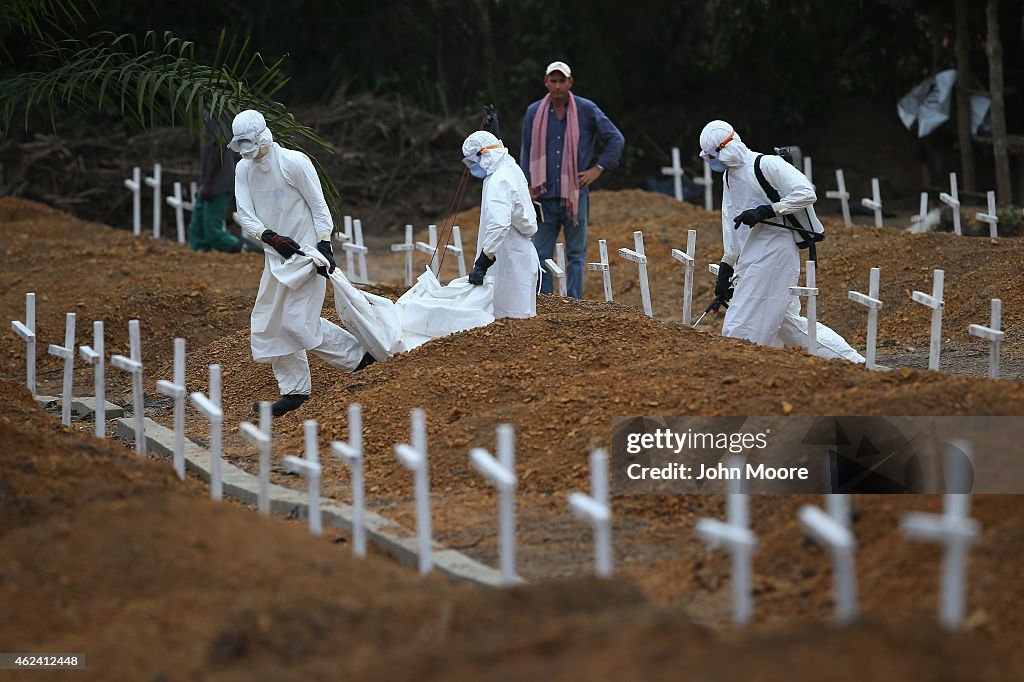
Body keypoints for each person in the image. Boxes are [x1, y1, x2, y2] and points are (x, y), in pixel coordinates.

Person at [229, 109, 374, 417]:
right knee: (270, 321)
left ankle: (360, 360)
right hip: (276, 256)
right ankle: (294, 391)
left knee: (297, 322)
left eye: (248, 143)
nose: (246, 151)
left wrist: (324, 245)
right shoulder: (244, 169)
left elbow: (319, 207)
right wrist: (269, 237)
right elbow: (245, 213)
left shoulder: (294, 162)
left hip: (307, 255)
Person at [698, 119, 864, 363]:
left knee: (739, 328)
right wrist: (727, 266)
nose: (712, 163)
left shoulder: (766, 164)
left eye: (713, 156)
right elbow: (730, 223)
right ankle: (853, 362)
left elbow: (807, 193)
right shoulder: (728, 178)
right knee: (790, 326)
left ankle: (738, 367)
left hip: (775, 254)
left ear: (728, 147)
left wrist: (770, 210)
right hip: (753, 256)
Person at [521, 61, 624, 299]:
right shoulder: (534, 111)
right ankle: (544, 302)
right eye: (553, 81)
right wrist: (527, 182)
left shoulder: (586, 109)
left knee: (576, 253)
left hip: (575, 193)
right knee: (540, 252)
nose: (557, 86)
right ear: (546, 82)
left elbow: (615, 138)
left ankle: (574, 302)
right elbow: (527, 149)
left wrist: (597, 169)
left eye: (561, 81)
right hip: (543, 194)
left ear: (570, 82)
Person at [463, 130, 540, 318]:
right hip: (515, 253)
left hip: (508, 258)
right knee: (518, 317)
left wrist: (484, 260)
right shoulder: (510, 169)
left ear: (485, 154)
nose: (472, 167)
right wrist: (494, 136)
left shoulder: (499, 179)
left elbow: (499, 224)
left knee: (510, 321)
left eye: (473, 161)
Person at [188, 113, 260, 253]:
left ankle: (244, 248)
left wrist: (208, 182)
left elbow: (220, 146)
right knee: (196, 229)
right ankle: (199, 253)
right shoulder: (207, 111)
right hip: (207, 181)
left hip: (217, 182)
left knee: (212, 231)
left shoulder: (217, 114)